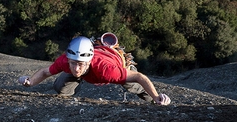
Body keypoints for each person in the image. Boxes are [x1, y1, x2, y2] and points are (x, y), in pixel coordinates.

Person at [18, 34, 171, 105]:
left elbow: (139, 77)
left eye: (81, 64)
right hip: (92, 69)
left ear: (89, 61)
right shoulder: (66, 60)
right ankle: (78, 84)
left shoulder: (107, 70)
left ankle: (153, 101)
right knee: (60, 87)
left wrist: (157, 97)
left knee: (134, 87)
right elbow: (45, 72)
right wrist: (30, 82)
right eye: (73, 63)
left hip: (115, 63)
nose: (76, 68)